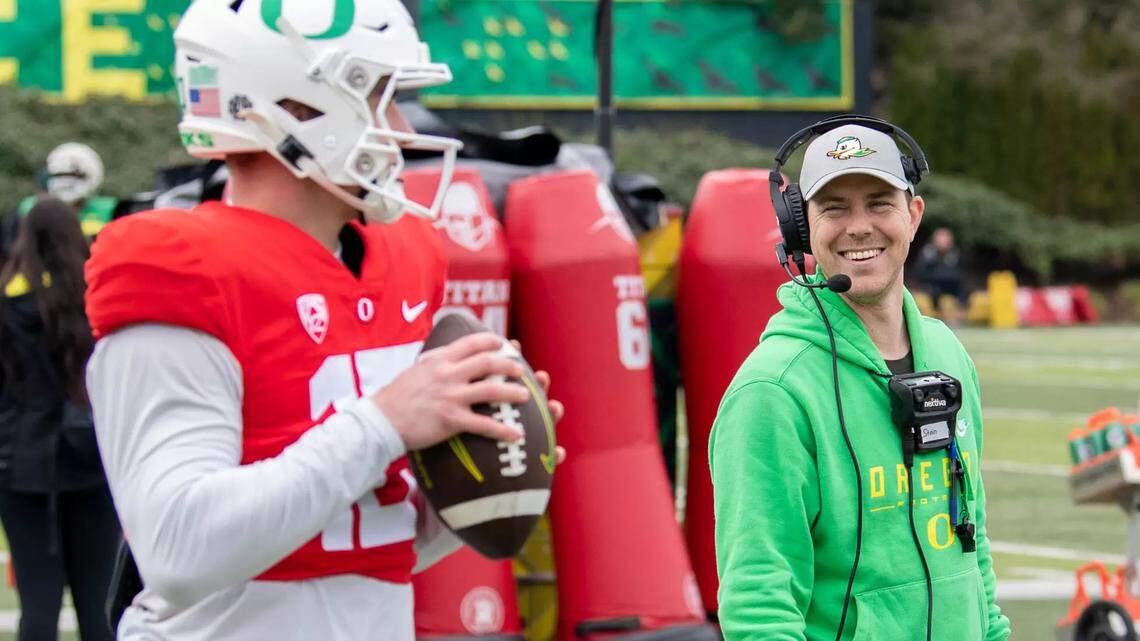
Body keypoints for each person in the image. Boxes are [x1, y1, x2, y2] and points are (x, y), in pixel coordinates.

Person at [84, 1, 563, 640]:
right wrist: (384, 423)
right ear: (297, 108)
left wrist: (476, 483)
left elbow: (358, 546)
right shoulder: (184, 270)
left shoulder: (403, 263)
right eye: (377, 98)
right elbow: (179, 552)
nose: (398, 127)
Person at [709, 119, 1009, 640]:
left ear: (913, 216)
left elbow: (971, 540)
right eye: (834, 207)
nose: (859, 226)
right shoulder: (773, 392)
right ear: (802, 229)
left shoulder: (948, 354)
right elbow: (759, 606)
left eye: (878, 202)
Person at [0, 198, 120, 641]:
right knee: (98, 604)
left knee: (37, 603)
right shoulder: (97, 301)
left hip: (21, 466)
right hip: (91, 460)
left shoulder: (6, 301)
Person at [915, 227, 966, 320]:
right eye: (940, 238)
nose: (943, 241)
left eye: (946, 238)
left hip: (951, 287)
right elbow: (921, 273)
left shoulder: (954, 254)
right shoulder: (928, 253)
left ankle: (960, 316)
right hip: (931, 287)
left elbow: (960, 275)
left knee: (962, 293)